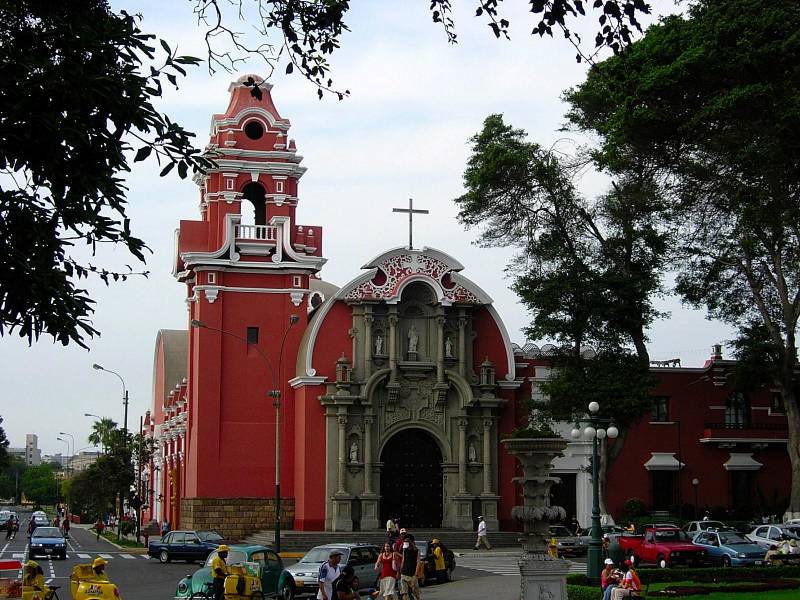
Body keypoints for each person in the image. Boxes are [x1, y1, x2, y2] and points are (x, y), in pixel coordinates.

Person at [399, 534, 420, 600]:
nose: (405, 543)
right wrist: (400, 571)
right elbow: (403, 560)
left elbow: (418, 562)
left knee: (415, 592)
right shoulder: (405, 550)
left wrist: (416, 574)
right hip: (404, 573)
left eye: (406, 542)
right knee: (404, 592)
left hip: (412, 574)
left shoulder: (416, 551)